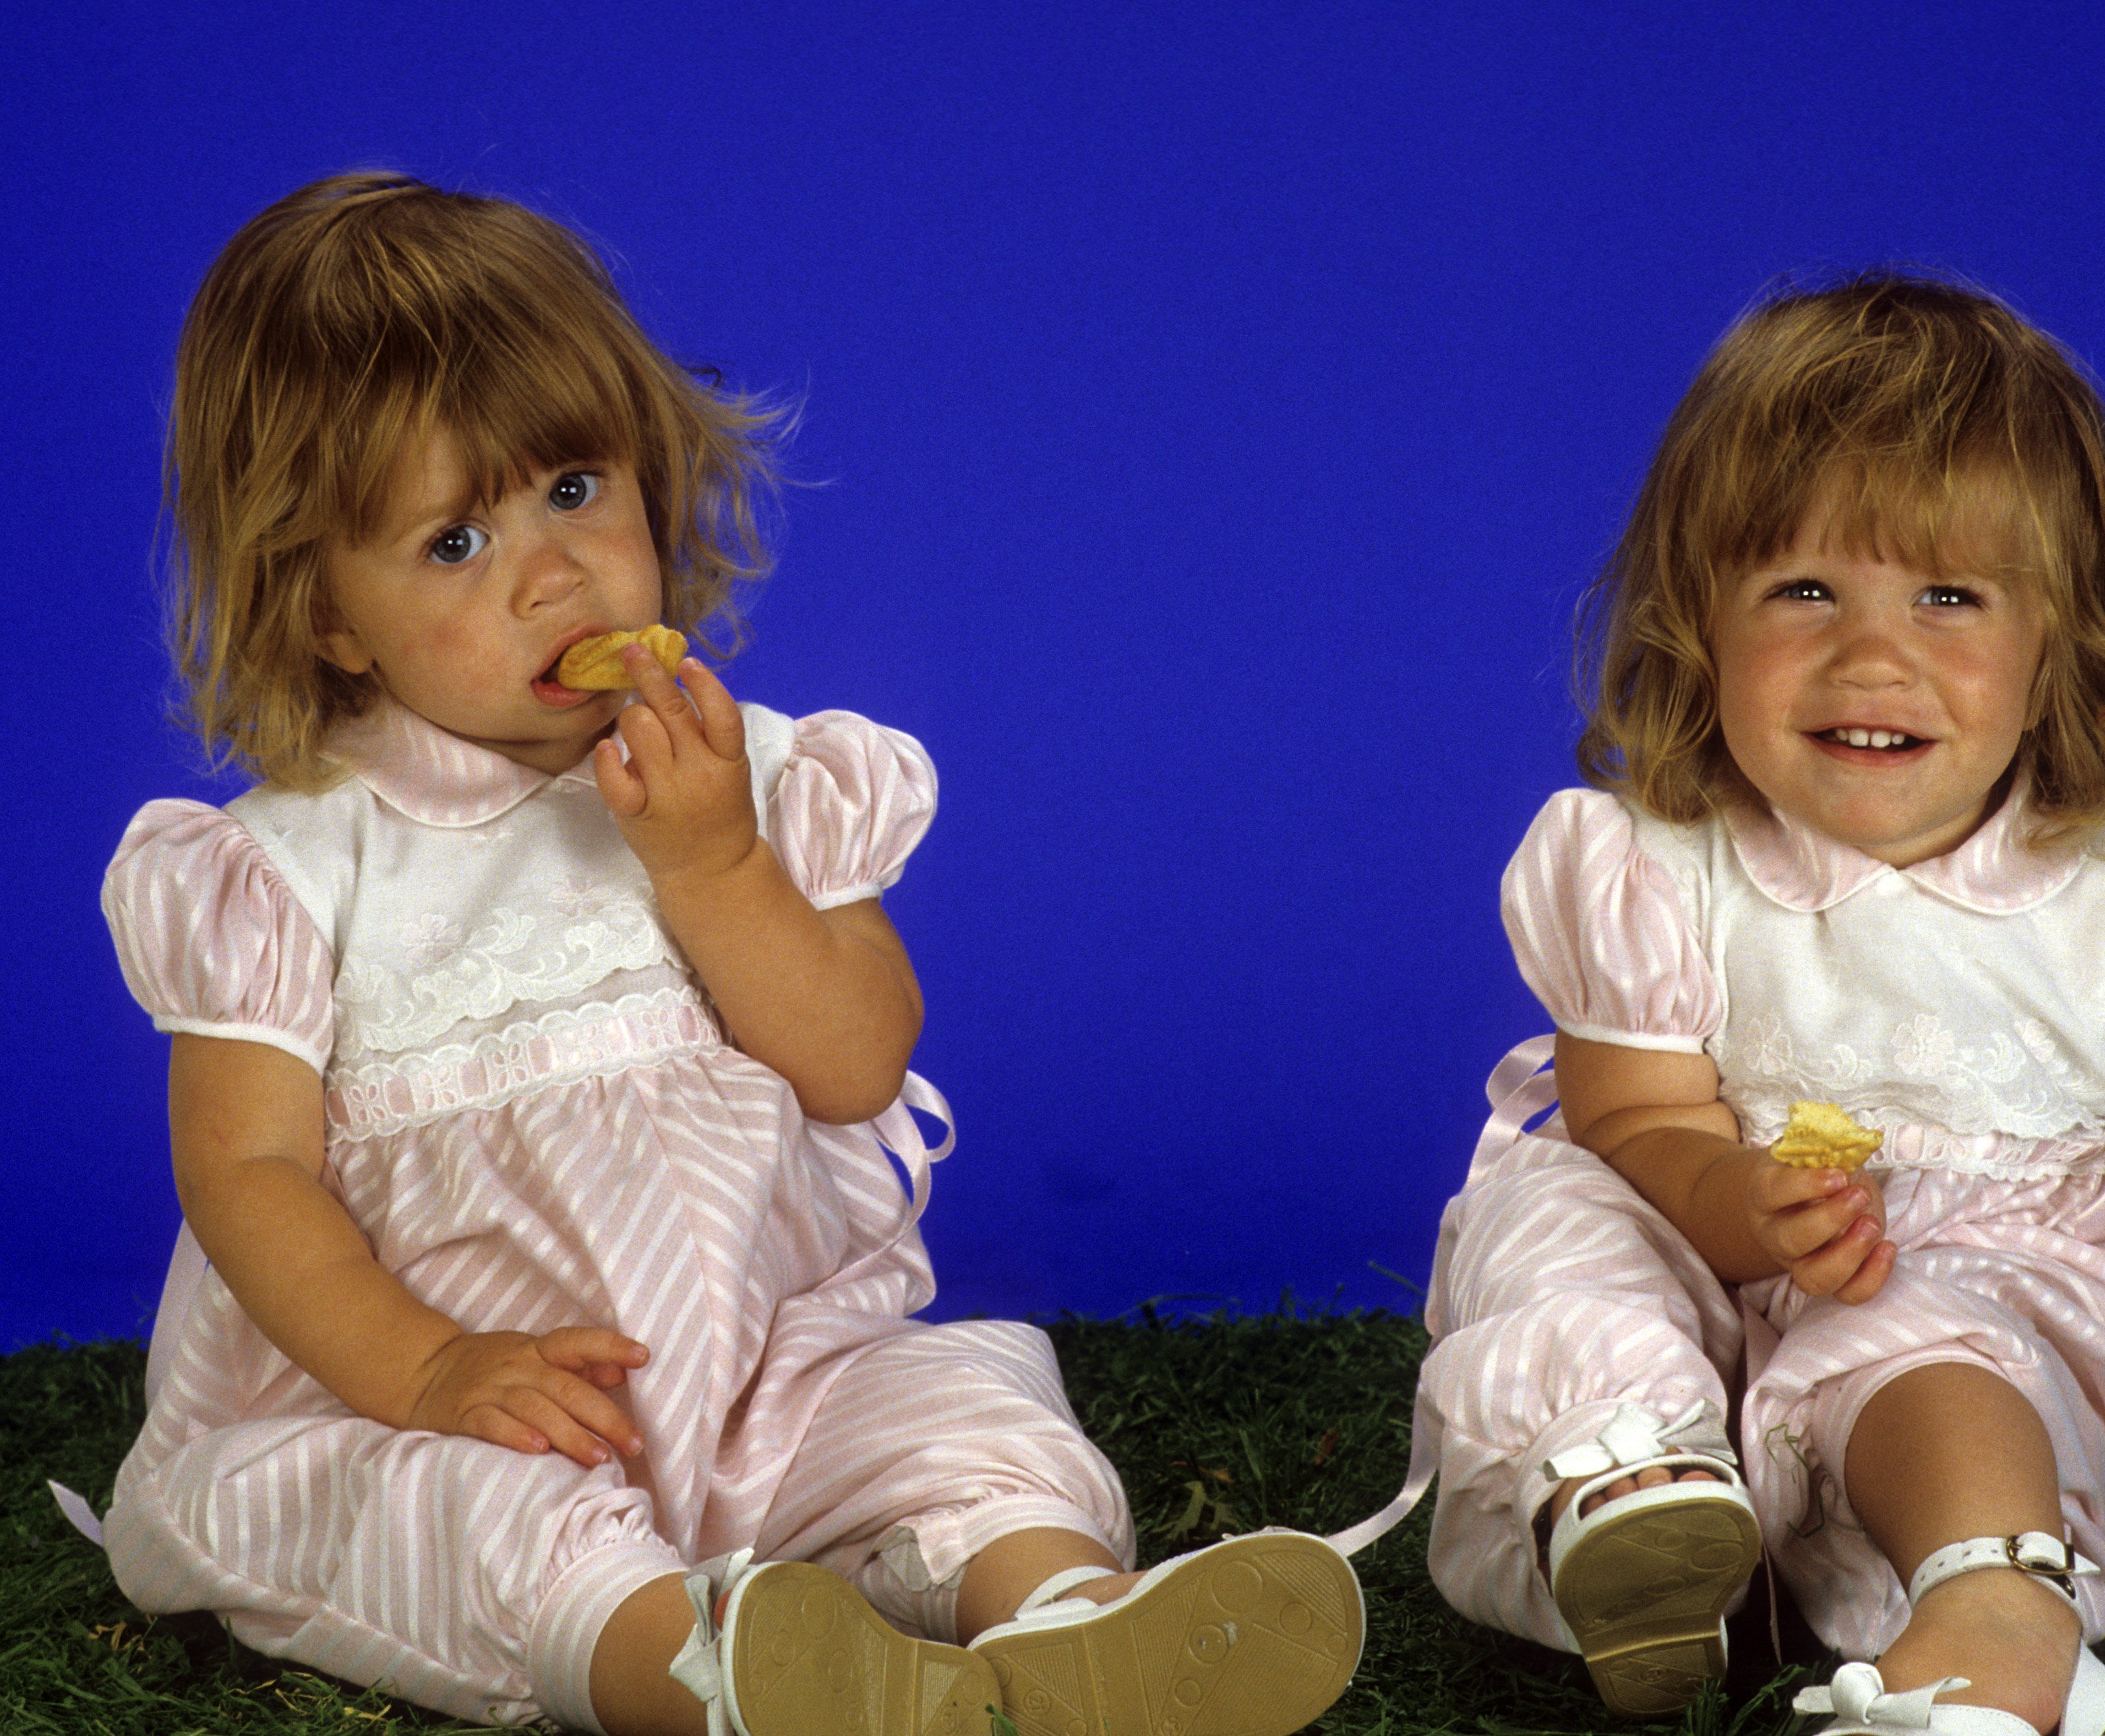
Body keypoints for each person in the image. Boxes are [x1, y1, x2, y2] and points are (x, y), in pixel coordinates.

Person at [98, 171, 1361, 1736]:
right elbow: (247, 1177)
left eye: (571, 489)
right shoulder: (285, 868)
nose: (546, 572)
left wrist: (714, 862)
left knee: (956, 1406)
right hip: (455, 1407)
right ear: (329, 616)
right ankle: (717, 1679)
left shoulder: (750, 777)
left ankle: (1069, 1623)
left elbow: (854, 1056)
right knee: (492, 1533)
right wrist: (428, 1371)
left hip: (763, 1377)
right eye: (452, 541)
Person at [1415, 274, 2105, 1733]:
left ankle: (1994, 1606)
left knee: (1923, 1321)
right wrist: (1736, 1198)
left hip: (1975, 1388)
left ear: (2060, 638)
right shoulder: (1650, 872)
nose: (1871, 655)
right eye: (1801, 589)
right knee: (1547, 1208)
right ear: (1695, 619)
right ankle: (1635, 1499)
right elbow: (1633, 1120)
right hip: (1714, 1362)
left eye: (1946, 596)